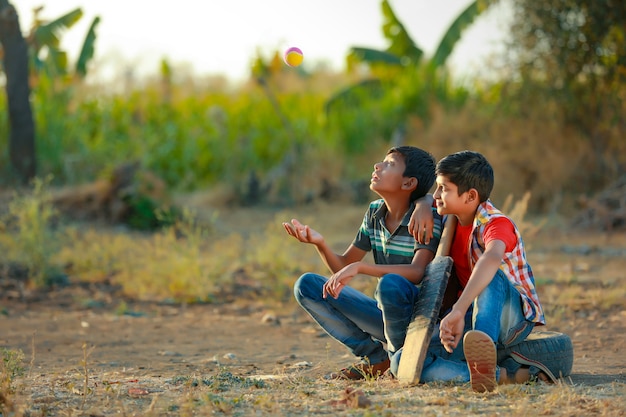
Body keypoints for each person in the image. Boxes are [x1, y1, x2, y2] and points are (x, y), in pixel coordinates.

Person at [393, 150, 553, 392]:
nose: (435, 195)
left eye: (443, 189)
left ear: (470, 196)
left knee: (490, 273)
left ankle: (483, 346)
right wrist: (423, 203)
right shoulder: (451, 219)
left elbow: (491, 257)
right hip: (468, 315)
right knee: (401, 362)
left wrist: (457, 310)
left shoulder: (497, 223)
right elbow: (422, 199)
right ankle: (501, 375)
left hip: (510, 318)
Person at [283, 146, 442, 380]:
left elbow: (417, 271)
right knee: (307, 285)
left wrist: (361, 268)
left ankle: (402, 358)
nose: (378, 166)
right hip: (384, 315)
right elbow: (343, 265)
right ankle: (376, 358)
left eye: (389, 164)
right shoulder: (374, 213)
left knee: (390, 283)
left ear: (408, 184)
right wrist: (320, 244)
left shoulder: (426, 217)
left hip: (417, 320)